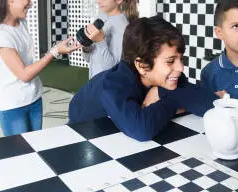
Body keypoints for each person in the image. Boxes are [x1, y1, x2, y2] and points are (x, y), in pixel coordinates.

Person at [68, 16, 216, 141]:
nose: (180, 68)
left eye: (180, 59)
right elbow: (141, 130)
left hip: (116, 133)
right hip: (79, 132)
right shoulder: (113, 85)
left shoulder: (168, 78)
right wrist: (172, 99)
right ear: (142, 65)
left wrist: (161, 92)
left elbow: (211, 105)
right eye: (170, 61)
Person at [0, 0, 80, 136]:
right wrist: (54, 52)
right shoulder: (0, 35)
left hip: (34, 98)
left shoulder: (21, 23)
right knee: (21, 155)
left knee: (35, 147)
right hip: (13, 105)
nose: (31, 3)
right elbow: (24, 74)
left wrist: (56, 50)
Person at [81, 0, 138, 78]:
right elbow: (89, 59)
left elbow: (112, 68)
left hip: (106, 86)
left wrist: (100, 41)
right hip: (94, 82)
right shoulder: (101, 16)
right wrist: (86, 45)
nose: (97, 1)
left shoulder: (122, 26)